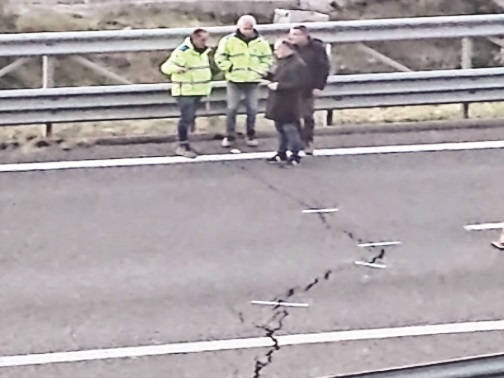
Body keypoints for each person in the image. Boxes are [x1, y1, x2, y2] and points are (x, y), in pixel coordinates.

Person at [215, 15, 273, 148]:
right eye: (245, 28)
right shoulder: (228, 41)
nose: (247, 31)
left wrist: (260, 71)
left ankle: (251, 134)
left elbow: (267, 59)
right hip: (234, 80)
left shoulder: (261, 42)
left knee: (252, 109)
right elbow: (220, 56)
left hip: (253, 80)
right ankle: (229, 136)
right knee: (232, 108)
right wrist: (229, 67)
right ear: (238, 27)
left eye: (250, 28)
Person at [160, 28, 212, 158]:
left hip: (198, 89)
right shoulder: (183, 52)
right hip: (185, 90)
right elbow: (165, 67)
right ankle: (181, 145)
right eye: (202, 39)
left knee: (191, 118)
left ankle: (187, 143)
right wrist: (178, 69)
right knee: (186, 118)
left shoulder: (203, 52)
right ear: (194, 39)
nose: (205, 42)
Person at [264, 39, 308, 166]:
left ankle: (295, 153)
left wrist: (279, 86)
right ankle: (281, 152)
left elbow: (298, 84)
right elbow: (279, 76)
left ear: (285, 48)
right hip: (279, 101)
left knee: (290, 128)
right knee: (280, 128)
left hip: (289, 102)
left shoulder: (297, 64)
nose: (275, 52)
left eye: (277, 49)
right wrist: (268, 76)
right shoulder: (283, 62)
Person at [288, 25, 330, 155]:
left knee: (307, 115)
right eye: (291, 34)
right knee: (292, 115)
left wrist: (318, 86)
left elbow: (323, 68)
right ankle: (295, 141)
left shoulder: (316, 48)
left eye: (295, 34)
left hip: (308, 87)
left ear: (304, 35)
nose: (292, 37)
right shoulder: (289, 48)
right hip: (292, 87)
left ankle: (307, 141)